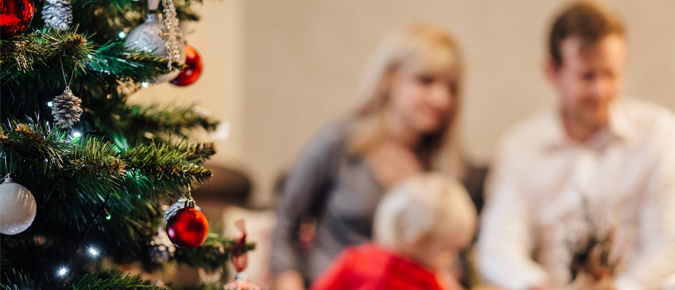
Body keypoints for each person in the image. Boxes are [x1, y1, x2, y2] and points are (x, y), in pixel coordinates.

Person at [477, 2, 675, 290]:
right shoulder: (520, 147)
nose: (601, 90)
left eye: (611, 75)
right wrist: (534, 283)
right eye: (587, 76)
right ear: (552, 71)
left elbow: (669, 243)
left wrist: (622, 288)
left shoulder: (658, 132)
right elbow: (497, 246)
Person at [270, 24, 464, 290]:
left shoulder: (442, 169)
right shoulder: (339, 142)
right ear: (390, 77)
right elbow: (286, 223)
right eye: (426, 81)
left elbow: (452, 256)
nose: (441, 98)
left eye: (451, 87)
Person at [310, 173, 476, 290]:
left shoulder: (355, 259)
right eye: (447, 250)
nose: (452, 259)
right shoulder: (430, 283)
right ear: (419, 242)